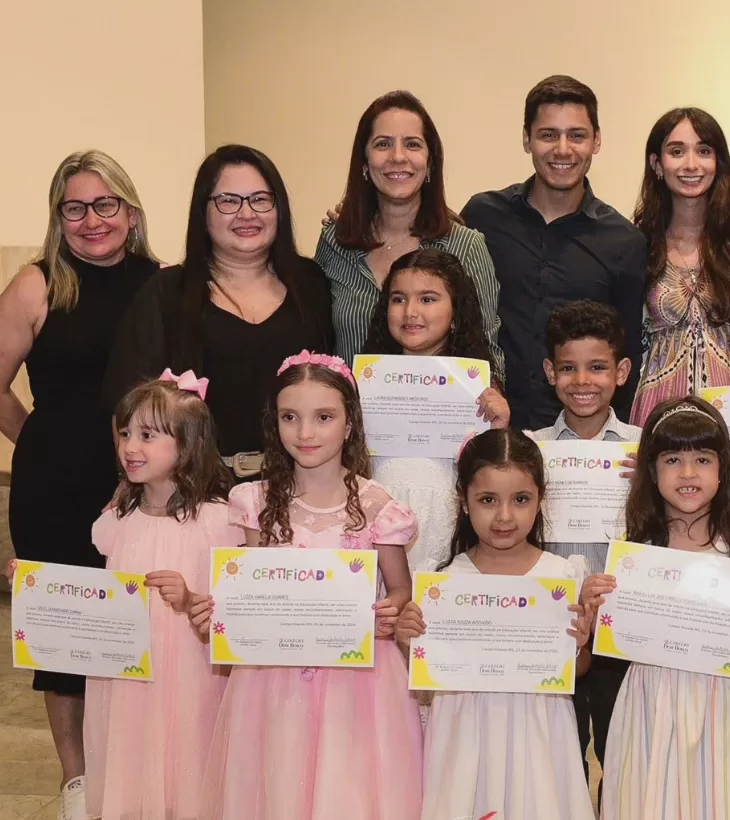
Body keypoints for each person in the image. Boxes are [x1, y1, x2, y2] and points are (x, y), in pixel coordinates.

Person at [190, 352, 422, 818]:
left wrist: (390, 611)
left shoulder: (378, 506)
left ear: (350, 423)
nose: (306, 433)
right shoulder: (254, 500)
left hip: (358, 685)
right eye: (290, 417)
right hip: (272, 682)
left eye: (324, 417)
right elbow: (248, 587)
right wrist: (218, 612)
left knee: (348, 789)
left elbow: (399, 590)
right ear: (274, 422)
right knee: (277, 783)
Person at [0, 149, 160, 819]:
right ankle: (77, 784)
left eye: (105, 204)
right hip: (54, 482)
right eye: (75, 208)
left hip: (145, 485)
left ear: (130, 210)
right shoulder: (36, 284)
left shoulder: (163, 283)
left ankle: (132, 768)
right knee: (64, 637)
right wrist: (36, 437)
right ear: (57, 216)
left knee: (136, 627)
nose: (91, 220)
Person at [582, 397, 730, 819]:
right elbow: (614, 633)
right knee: (652, 797)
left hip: (724, 704)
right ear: (651, 471)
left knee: (720, 798)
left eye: (702, 458)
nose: (688, 473)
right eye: (673, 459)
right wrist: (594, 605)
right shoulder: (636, 551)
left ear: (723, 471)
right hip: (652, 699)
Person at [395, 429, 594, 820]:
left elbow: (578, 671)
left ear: (540, 500)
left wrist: (580, 646)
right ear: (464, 502)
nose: (504, 516)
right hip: (465, 733)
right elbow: (427, 672)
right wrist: (408, 641)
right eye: (488, 500)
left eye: (520, 500)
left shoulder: (562, 575)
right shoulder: (445, 584)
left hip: (539, 728)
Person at [103, 144, 334, 482]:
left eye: (260, 199)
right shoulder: (166, 292)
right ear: (203, 212)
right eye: (228, 201)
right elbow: (127, 406)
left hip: (301, 486)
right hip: (196, 491)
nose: (246, 214)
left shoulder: (312, 284)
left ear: (278, 208)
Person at [83, 373, 235, 820]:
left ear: (187, 446)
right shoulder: (117, 521)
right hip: (129, 677)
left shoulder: (217, 521)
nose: (131, 447)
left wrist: (190, 599)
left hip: (188, 670)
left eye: (148, 436)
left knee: (185, 749)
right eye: (126, 433)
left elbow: (227, 606)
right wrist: (38, 586)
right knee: (131, 751)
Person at [460, 75, 647, 429]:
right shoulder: (483, 216)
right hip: (484, 423)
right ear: (526, 139)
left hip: (576, 438)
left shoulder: (624, 241)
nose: (563, 149)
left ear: (597, 141)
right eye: (548, 135)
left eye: (577, 135)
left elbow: (627, 352)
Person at [528, 300, 640, 787]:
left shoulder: (644, 448)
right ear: (550, 372)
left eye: (597, 368)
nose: (582, 381)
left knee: (624, 751)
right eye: (568, 368)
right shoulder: (531, 449)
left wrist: (650, 486)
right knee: (560, 755)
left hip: (624, 625)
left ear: (621, 371)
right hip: (557, 623)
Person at [317, 90, 501, 366]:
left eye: (413, 144)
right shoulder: (335, 241)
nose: (398, 156)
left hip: (442, 408)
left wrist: (492, 397)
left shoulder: (466, 246)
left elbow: (487, 350)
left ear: (430, 164)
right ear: (364, 164)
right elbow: (317, 342)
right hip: (348, 408)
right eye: (383, 144)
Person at [360, 248, 510, 575]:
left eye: (427, 299)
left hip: (447, 526)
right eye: (398, 299)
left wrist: (498, 431)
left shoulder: (481, 390)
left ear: (455, 313)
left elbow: (493, 480)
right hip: (374, 524)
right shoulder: (361, 384)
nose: (410, 311)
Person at [629, 107, 730, 427]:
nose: (691, 164)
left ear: (719, 163)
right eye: (677, 151)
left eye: (704, 151)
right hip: (656, 409)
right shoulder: (634, 243)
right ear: (657, 165)